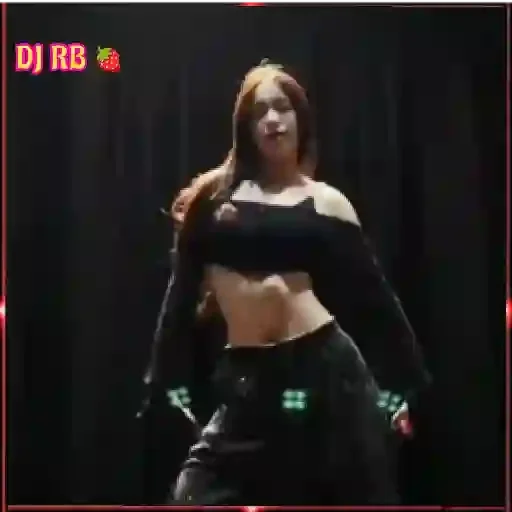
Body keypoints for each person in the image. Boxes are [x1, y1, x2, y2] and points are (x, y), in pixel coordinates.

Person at [141, 59, 431, 505]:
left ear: (301, 120)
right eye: (260, 111)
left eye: (282, 108)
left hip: (326, 372)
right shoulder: (213, 201)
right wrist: (162, 381)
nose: (273, 120)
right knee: (193, 496)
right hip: (250, 381)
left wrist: (401, 387)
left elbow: (376, 302)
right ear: (245, 128)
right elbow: (179, 298)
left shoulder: (326, 203)